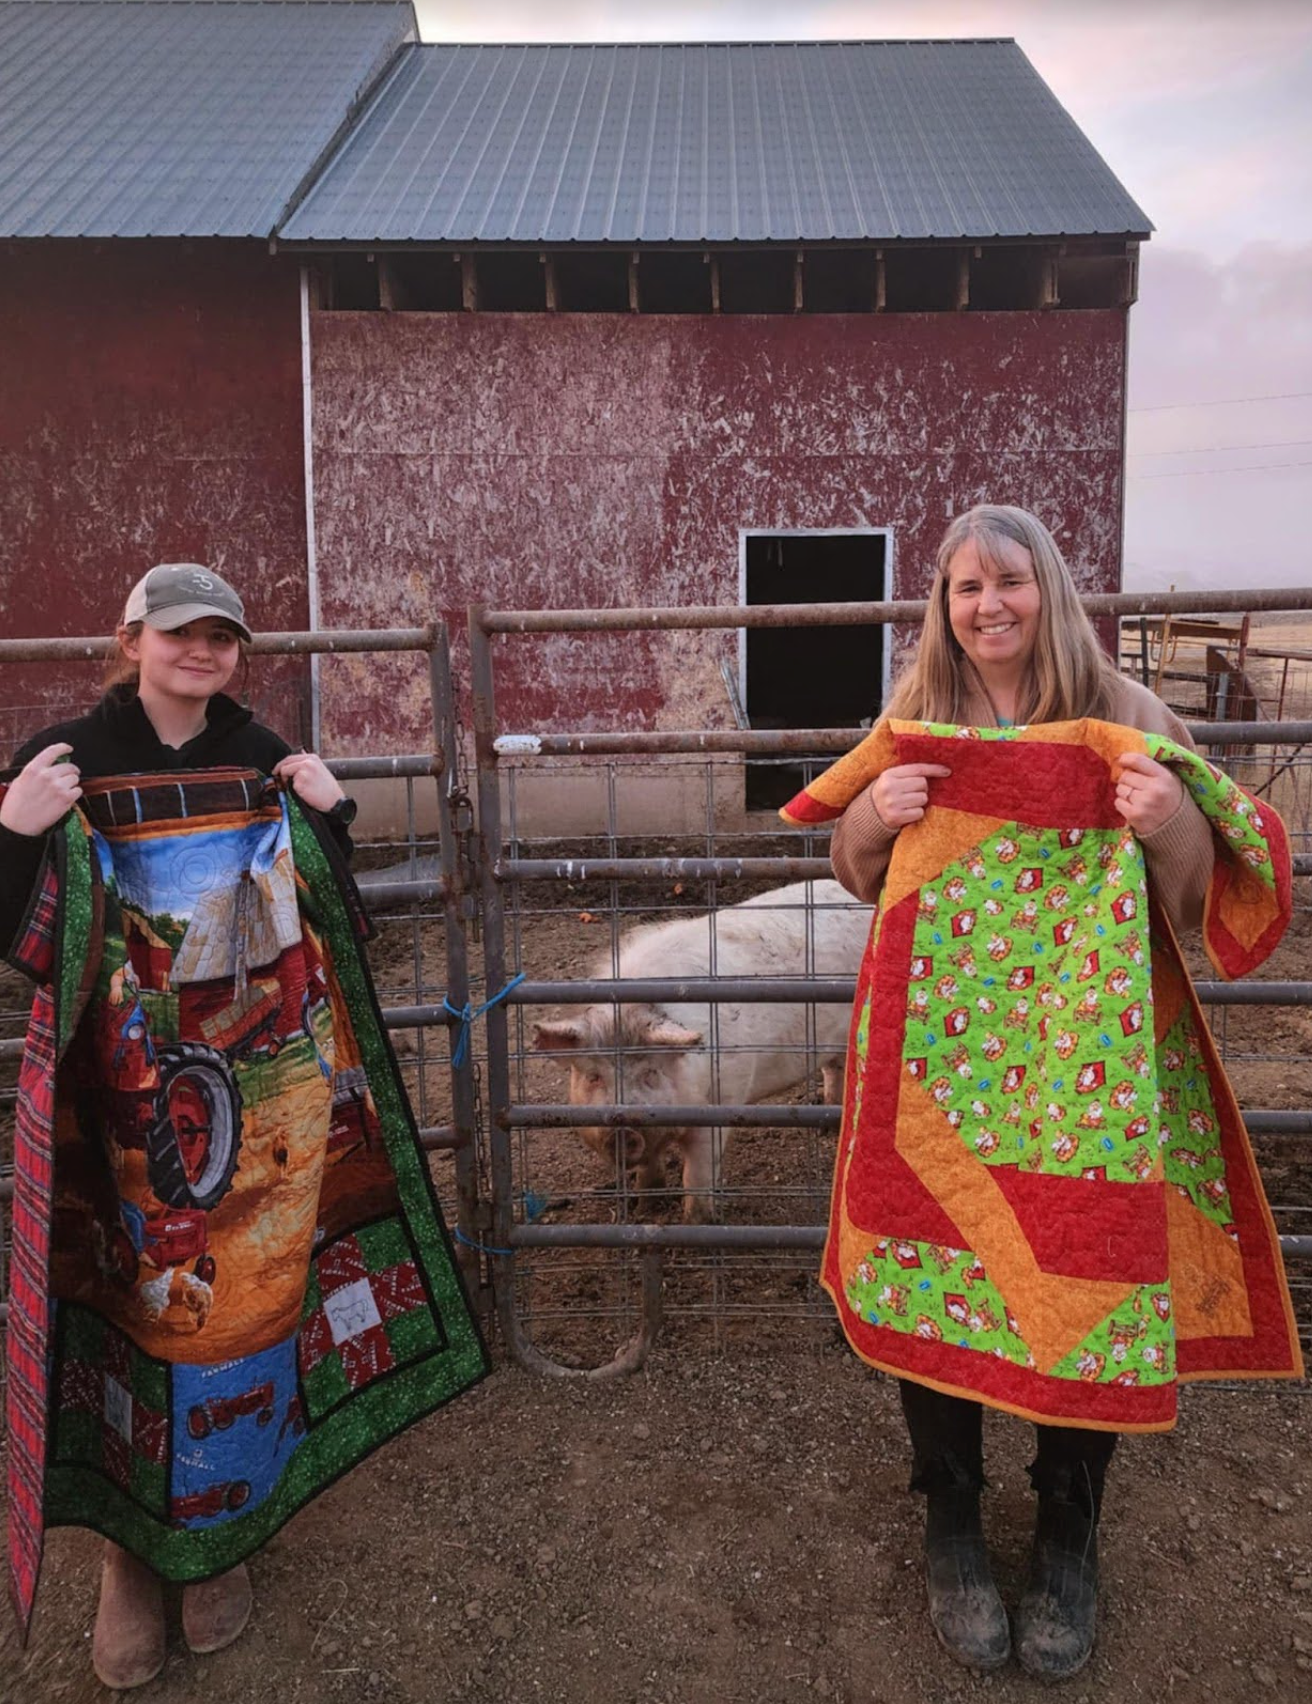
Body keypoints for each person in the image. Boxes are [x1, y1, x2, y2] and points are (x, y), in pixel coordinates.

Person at [792, 506, 1300, 1680]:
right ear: (943, 603)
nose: (988, 608)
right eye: (965, 589)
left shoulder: (1122, 712)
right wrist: (874, 813)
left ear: (1046, 590)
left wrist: (1171, 825)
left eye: (1008, 583)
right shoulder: (917, 709)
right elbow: (854, 869)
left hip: (1086, 1070)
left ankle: (1069, 1526)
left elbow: (1206, 882)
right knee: (935, 1264)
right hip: (940, 1065)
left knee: (1089, 1271)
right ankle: (951, 1519)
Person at [1, 564, 487, 1687]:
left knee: (251, 1304)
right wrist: (12, 834)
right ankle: (132, 1553)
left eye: (221, 637)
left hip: (252, 1081)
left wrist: (330, 815)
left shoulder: (265, 751)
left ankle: (221, 1535)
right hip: (110, 1090)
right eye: (180, 634)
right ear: (131, 639)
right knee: (125, 1289)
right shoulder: (68, 759)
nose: (202, 653)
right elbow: (17, 942)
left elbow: (332, 914)